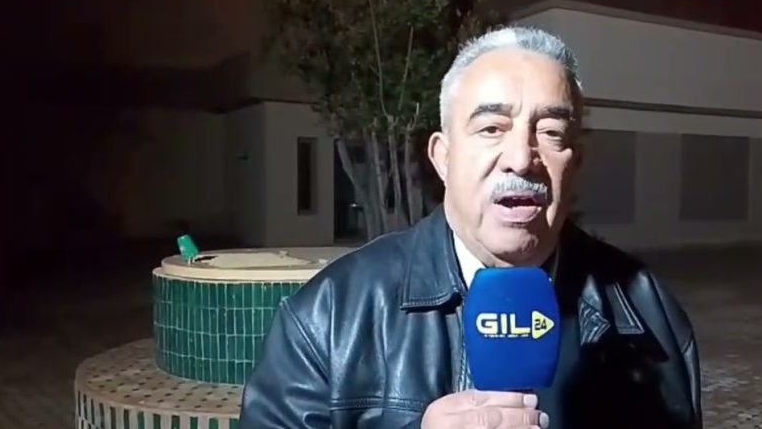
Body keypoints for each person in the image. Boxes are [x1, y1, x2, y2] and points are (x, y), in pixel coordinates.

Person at [240, 26, 702, 429]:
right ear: (443, 157)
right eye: (491, 128)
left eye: (551, 132)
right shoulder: (328, 316)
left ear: (574, 163)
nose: (521, 158)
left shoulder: (649, 315)